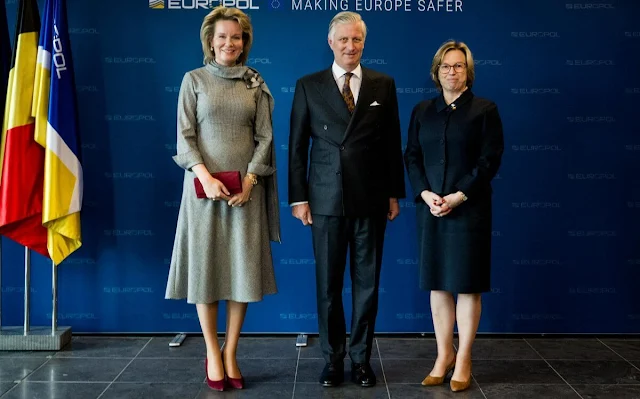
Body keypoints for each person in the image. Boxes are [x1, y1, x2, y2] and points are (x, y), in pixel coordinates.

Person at [165, 6, 280, 392]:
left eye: (236, 37)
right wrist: (205, 177)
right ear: (209, 42)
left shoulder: (255, 83)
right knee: (206, 271)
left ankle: (231, 351)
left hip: (245, 194)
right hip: (203, 194)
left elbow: (265, 137)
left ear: (244, 42)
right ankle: (212, 352)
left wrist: (249, 181)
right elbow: (185, 136)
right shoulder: (193, 80)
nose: (229, 43)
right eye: (222, 37)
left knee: (241, 273)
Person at [288, 11, 405, 388]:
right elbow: (297, 147)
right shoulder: (308, 85)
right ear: (331, 43)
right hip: (323, 201)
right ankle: (332, 360)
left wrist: (393, 193)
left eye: (356, 40)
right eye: (343, 40)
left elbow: (391, 145)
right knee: (327, 286)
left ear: (363, 43)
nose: (350, 46)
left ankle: (360, 360)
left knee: (367, 285)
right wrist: (298, 198)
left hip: (370, 200)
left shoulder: (382, 84)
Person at [404, 40, 504, 392]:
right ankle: (443, 355)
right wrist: (425, 193)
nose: (452, 71)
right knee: (438, 283)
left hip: (470, 209)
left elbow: (488, 160)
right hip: (431, 208)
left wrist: (459, 196)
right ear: (436, 71)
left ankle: (464, 359)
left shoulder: (484, 110)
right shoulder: (421, 111)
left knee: (467, 285)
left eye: (459, 66)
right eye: (446, 66)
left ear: (468, 72)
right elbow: (412, 157)